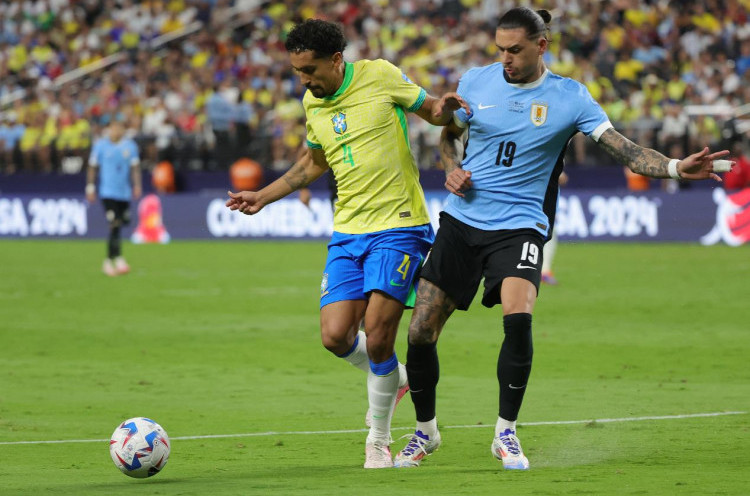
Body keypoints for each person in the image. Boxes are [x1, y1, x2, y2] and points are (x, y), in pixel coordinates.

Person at [394, 7, 733, 471]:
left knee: (519, 317)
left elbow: (628, 152)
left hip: (520, 225)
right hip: (463, 220)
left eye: (514, 50)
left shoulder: (570, 97)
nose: (505, 59)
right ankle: (425, 432)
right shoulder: (475, 81)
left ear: (541, 46)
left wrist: (675, 168)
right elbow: (450, 136)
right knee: (420, 331)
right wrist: (452, 166)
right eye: (500, 50)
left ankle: (505, 434)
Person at [225, 19, 469, 469]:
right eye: (298, 70)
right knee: (335, 336)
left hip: (399, 225)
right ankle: (394, 380)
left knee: (378, 336)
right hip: (347, 231)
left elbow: (431, 110)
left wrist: (447, 108)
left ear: (337, 60)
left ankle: (378, 439)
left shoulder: (380, 75)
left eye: (310, 69)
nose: (304, 79)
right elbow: (313, 161)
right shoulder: (311, 102)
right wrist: (263, 194)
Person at [86, 120, 142, 276]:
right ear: (109, 129)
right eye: (114, 128)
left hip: (123, 193)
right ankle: (110, 261)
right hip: (107, 193)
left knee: (123, 222)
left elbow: (135, 167)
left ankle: (117, 258)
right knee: (114, 223)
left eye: (120, 127)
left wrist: (137, 185)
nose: (117, 131)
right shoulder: (101, 146)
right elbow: (92, 167)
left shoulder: (130, 147)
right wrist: (90, 187)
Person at [541, 171, 567, 285]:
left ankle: (543, 271)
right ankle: (544, 272)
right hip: (541, 203)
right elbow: (562, 178)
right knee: (548, 235)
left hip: (546, 202)